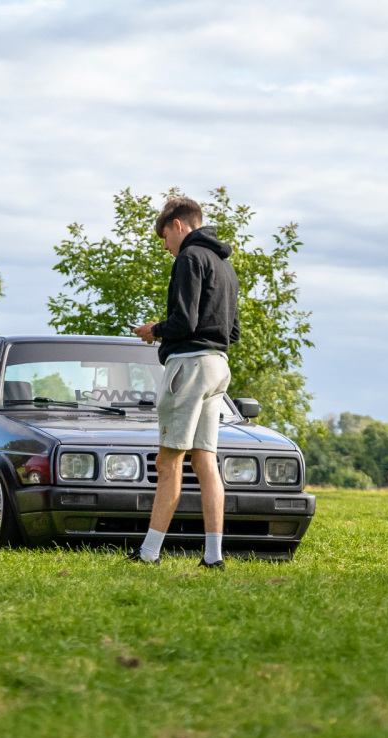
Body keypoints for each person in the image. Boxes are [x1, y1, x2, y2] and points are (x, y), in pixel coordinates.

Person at [130, 196, 240, 568]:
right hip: (218, 366)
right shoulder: (225, 266)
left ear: (179, 225)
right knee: (205, 461)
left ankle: (148, 554)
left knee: (168, 460)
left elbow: (184, 323)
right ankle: (213, 557)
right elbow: (233, 331)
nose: (165, 247)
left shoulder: (189, 258)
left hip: (189, 366)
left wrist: (153, 331)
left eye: (164, 237)